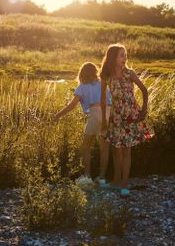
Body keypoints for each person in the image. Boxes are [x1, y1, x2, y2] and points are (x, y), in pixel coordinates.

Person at [100, 43, 153, 197]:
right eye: (121, 55)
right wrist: (104, 119)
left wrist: (144, 109)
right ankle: (116, 181)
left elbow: (144, 90)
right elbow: (103, 100)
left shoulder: (130, 73)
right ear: (113, 57)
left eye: (125, 55)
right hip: (116, 116)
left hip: (131, 115)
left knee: (126, 151)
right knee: (117, 150)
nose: (125, 58)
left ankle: (124, 185)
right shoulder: (106, 76)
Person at [54, 62, 112, 188]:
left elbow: (72, 105)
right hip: (108, 113)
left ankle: (87, 176)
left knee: (86, 146)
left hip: (95, 113)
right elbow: (110, 100)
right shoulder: (103, 84)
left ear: (82, 74)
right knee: (104, 148)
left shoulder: (82, 87)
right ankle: (102, 178)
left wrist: (58, 114)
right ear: (95, 72)